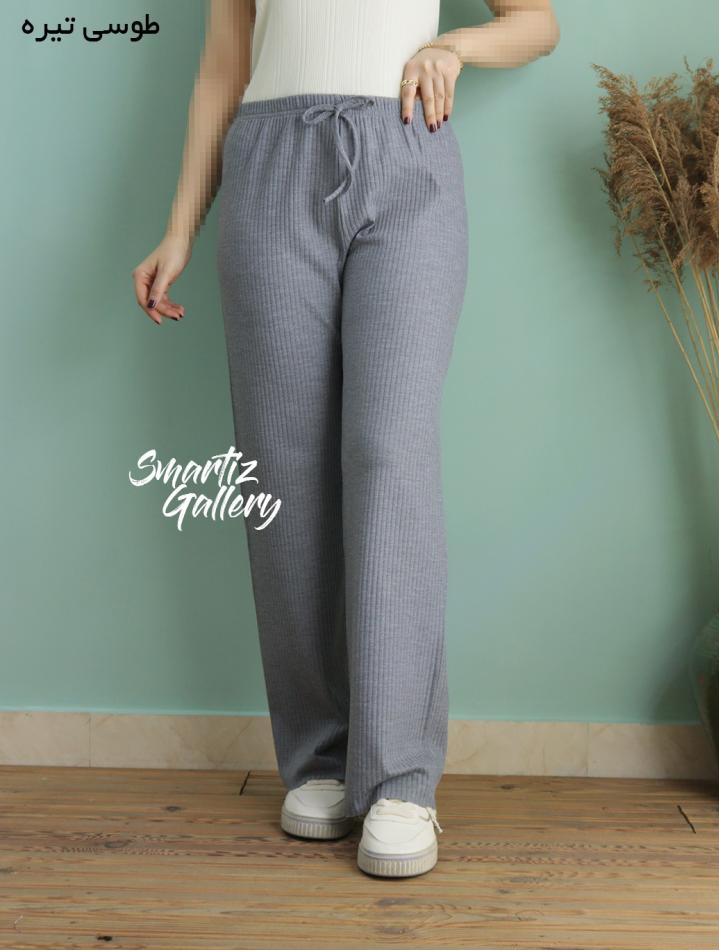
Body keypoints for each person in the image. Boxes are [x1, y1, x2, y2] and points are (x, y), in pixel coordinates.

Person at [131, 0, 560, 878]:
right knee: (280, 468)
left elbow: (537, 22)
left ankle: (401, 779)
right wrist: (180, 227)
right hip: (267, 165)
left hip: (405, 154)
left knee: (388, 457)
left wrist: (455, 46)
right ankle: (321, 757)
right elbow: (223, 65)